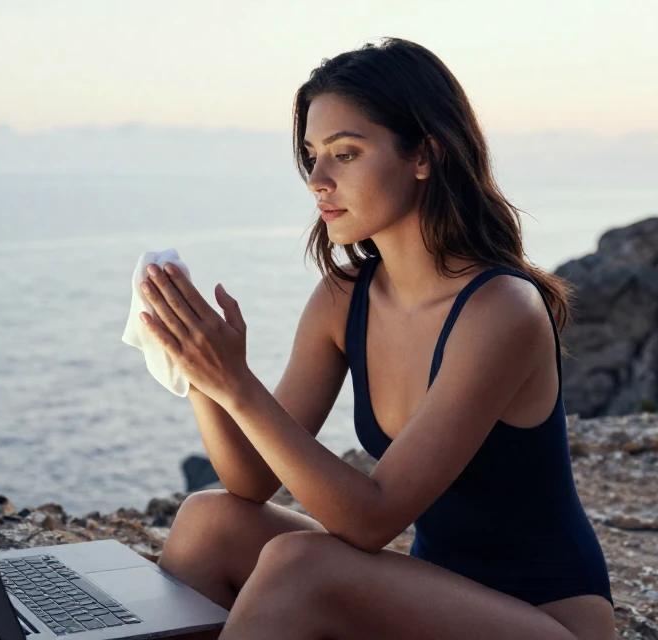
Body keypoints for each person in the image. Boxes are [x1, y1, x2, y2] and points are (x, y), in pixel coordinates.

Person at [136, 37, 616, 639]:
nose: (317, 179)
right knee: (209, 520)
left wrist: (238, 383)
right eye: (311, 155)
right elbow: (251, 481)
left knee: (300, 564)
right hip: (429, 600)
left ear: (424, 155)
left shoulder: (502, 309)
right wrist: (203, 373)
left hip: (546, 622)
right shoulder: (347, 296)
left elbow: (371, 520)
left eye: (345, 153)